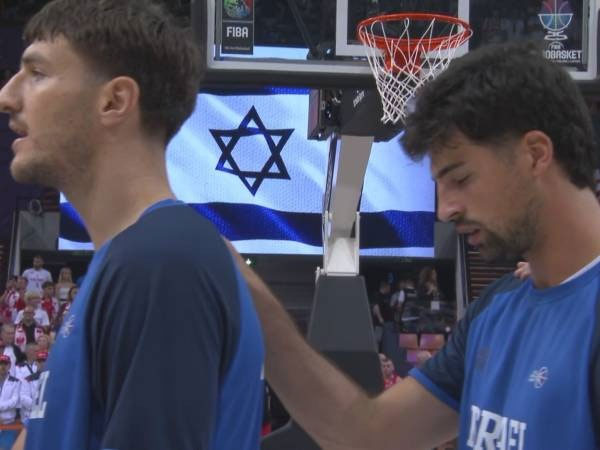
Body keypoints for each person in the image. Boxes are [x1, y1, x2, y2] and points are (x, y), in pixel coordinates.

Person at [229, 40, 600, 449]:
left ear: (535, 154)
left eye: (461, 179)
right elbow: (369, 436)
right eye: (439, 185)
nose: (445, 210)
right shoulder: (497, 308)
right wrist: (251, 298)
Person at [0, 1, 264, 449]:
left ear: (114, 101)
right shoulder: (135, 258)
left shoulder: (161, 261)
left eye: (37, 73)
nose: (7, 96)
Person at [0, 354, 20, 424]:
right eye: (1, 363)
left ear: (10, 366)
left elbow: (14, 401)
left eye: (5, 364)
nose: (3, 366)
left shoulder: (16, 382)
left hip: (9, 422)